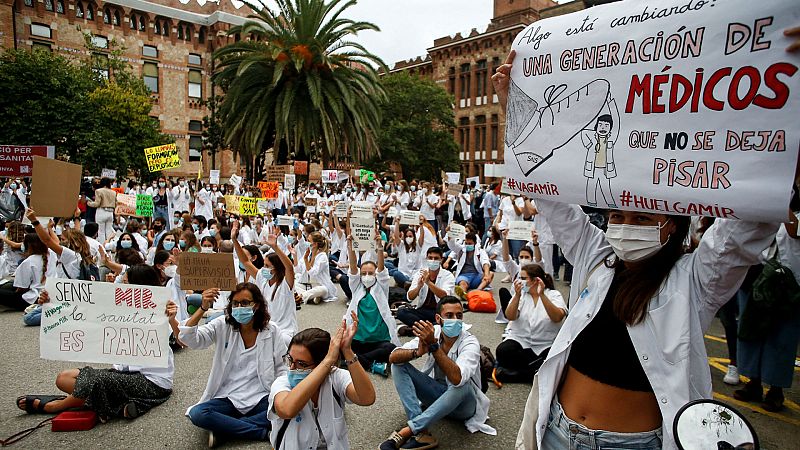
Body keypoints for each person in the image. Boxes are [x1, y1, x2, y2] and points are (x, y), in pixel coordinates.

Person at [493, 50, 778, 450]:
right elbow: (547, 192)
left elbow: (749, 221)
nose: (626, 226)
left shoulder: (696, 279)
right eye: (618, 215)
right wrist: (515, 110)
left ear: (673, 225)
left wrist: (788, 117)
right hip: (557, 430)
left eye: (642, 218)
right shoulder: (596, 257)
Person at [16, 265, 177, 422]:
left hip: (151, 381)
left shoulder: (160, 310)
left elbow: (180, 337)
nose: (121, 286)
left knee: (96, 382)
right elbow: (79, 312)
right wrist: (51, 302)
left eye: (126, 283)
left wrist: (171, 319)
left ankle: (55, 406)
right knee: (63, 378)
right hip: (122, 374)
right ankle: (117, 403)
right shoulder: (117, 308)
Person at [381, 296, 495, 450]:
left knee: (462, 385)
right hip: (438, 396)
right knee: (398, 365)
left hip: (463, 406)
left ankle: (409, 430)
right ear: (438, 318)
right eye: (449, 315)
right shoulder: (433, 332)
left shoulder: (469, 342)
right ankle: (422, 433)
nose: (455, 320)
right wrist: (417, 352)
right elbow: (393, 357)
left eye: (459, 315)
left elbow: (457, 379)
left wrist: (433, 346)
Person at [181, 283, 287, 447]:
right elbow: (191, 340)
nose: (239, 307)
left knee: (288, 408)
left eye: (245, 303)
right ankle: (261, 432)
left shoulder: (272, 331)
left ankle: (224, 429)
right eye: (235, 303)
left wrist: (282, 394)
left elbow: (282, 367)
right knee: (198, 414)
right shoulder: (222, 325)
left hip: (260, 396)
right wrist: (202, 308)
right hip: (228, 397)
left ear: (256, 305)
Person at [268, 323, 376, 450]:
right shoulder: (282, 383)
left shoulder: (335, 377)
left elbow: (367, 398)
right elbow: (287, 410)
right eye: (290, 359)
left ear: (321, 364)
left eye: (301, 364)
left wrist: (347, 351)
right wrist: (328, 360)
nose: (292, 368)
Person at [733, 215, 800, 412]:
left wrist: (782, 205)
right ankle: (753, 382)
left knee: (783, 335)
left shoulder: (786, 207)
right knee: (751, 328)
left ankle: (776, 390)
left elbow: (794, 230)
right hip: (758, 272)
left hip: (790, 280)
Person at [495, 264, 566, 384]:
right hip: (521, 341)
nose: (520, 281)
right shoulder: (521, 295)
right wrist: (517, 296)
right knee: (503, 351)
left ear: (535, 280)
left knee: (554, 360)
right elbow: (510, 316)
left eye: (523, 278)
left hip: (545, 343)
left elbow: (557, 317)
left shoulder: (553, 295)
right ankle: (533, 374)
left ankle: (519, 374)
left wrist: (542, 295)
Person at [344, 230, 399, 377]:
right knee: (339, 346)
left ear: (376, 275)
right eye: (364, 273)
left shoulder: (381, 287)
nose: (367, 276)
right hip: (358, 339)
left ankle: (354, 362)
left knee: (390, 349)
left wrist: (379, 246)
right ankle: (371, 364)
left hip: (378, 340)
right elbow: (353, 268)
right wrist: (350, 246)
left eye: (370, 273)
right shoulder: (357, 287)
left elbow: (382, 269)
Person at [236, 229, 298, 347]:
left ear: (277, 268)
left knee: (274, 341)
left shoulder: (285, 284)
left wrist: (275, 247)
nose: (263, 268)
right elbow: (245, 261)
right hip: (265, 328)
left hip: (284, 331)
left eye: (267, 266)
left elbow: (289, 268)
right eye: (264, 265)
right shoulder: (262, 279)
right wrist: (234, 240)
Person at [398, 247, 455, 334]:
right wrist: (418, 287)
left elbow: (445, 296)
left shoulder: (447, 275)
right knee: (401, 312)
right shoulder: (420, 274)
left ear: (441, 260)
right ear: (426, 258)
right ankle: (431, 328)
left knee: (447, 321)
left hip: (439, 312)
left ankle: (418, 329)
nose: (433, 260)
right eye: (430, 258)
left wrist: (428, 282)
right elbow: (409, 297)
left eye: (436, 258)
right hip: (423, 310)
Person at [0, 232, 55, 312]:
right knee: (10, 285)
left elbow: (22, 289)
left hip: (34, 298)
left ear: (28, 246)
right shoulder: (52, 255)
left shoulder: (28, 262)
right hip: (50, 294)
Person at [296, 231, 337, 304]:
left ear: (315, 244)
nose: (306, 242)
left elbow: (313, 273)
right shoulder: (308, 253)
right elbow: (298, 270)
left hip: (319, 285)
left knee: (323, 290)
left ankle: (301, 296)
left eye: (308, 241)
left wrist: (306, 260)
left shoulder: (322, 256)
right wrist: (294, 255)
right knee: (292, 284)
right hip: (306, 285)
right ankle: (312, 297)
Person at [449, 231, 492, 300]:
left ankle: (477, 291)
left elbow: (485, 262)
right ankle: (463, 294)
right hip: (464, 276)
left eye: (470, 243)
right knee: (463, 284)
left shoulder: (480, 251)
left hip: (477, 277)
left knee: (491, 274)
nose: (467, 245)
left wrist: (486, 275)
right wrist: (449, 233)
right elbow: (452, 245)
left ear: (475, 243)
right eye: (466, 243)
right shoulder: (461, 250)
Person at [87, 177, 117, 243]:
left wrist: (89, 203)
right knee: (109, 231)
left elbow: (97, 204)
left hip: (101, 211)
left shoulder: (98, 191)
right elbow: (116, 203)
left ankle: (102, 245)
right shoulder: (114, 192)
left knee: (101, 231)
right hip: (110, 212)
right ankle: (109, 245)